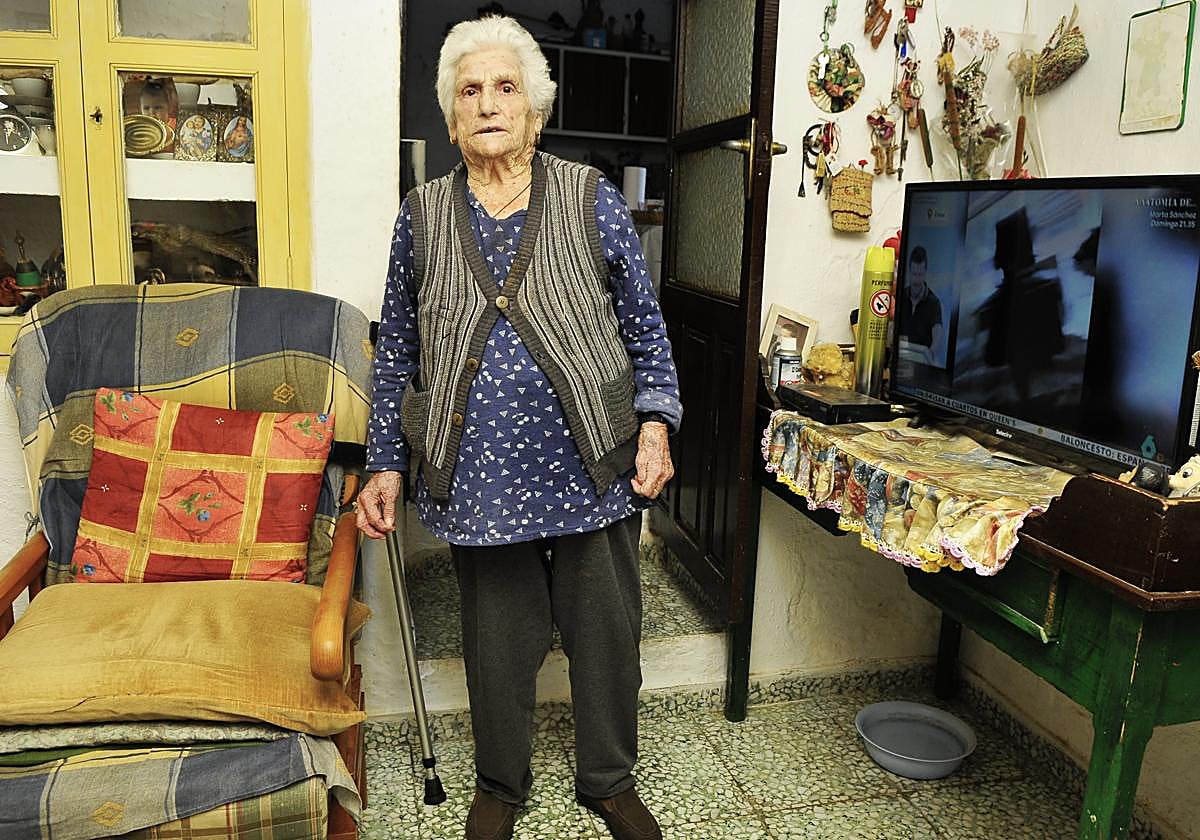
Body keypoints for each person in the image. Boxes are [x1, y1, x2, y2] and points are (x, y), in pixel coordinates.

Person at [356, 15, 681, 840]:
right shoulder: (421, 215)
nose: (487, 103)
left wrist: (655, 425)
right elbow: (397, 351)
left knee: (606, 637)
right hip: (481, 474)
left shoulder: (591, 198)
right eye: (470, 91)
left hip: (592, 460)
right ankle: (501, 784)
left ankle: (608, 779)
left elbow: (645, 327)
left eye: (506, 88)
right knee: (497, 646)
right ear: (450, 118)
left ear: (535, 113)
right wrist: (385, 463)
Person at [898, 245, 943, 361]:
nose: (917, 280)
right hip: (901, 358)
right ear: (909, 272)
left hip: (922, 361)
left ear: (925, 273)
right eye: (914, 274)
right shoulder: (901, 296)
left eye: (920, 275)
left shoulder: (934, 302)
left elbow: (937, 331)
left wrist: (931, 353)